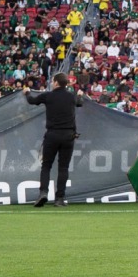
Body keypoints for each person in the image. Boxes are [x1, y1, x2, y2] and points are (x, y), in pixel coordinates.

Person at [25, 72, 83, 207]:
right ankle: (59, 199)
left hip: (52, 135)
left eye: (52, 81)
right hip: (69, 135)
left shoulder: (48, 96)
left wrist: (27, 92)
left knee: (46, 166)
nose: (51, 83)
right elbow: (79, 103)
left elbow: (32, 101)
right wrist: (80, 95)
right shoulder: (71, 96)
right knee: (63, 167)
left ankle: (43, 193)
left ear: (56, 82)